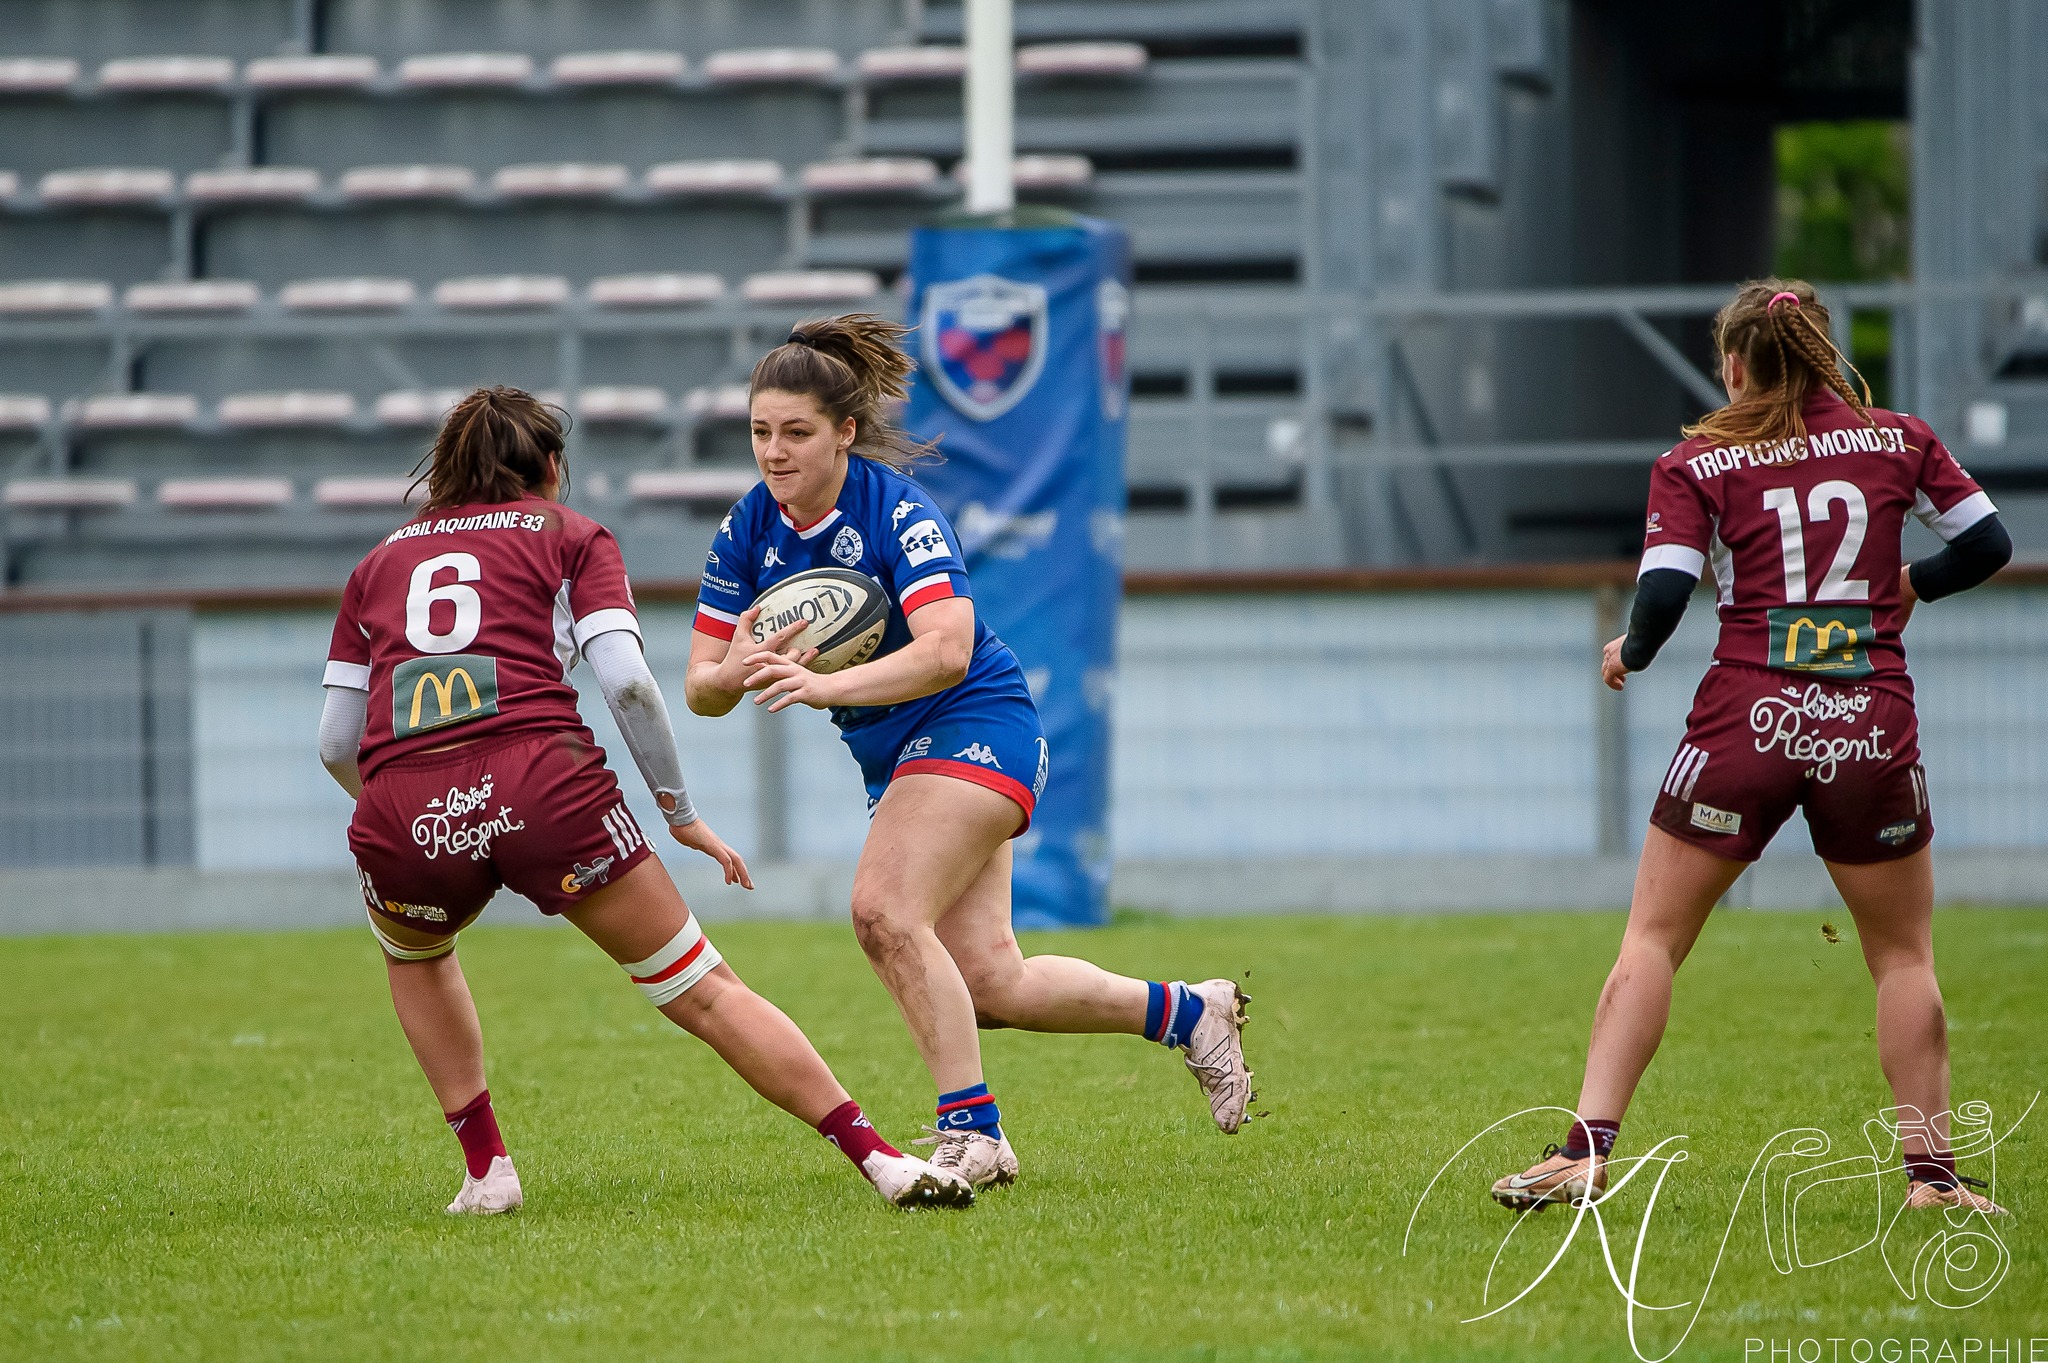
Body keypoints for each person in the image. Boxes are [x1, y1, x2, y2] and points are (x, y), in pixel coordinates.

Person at [316, 386, 973, 1213]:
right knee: (703, 988)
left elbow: (337, 740)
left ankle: (487, 1170)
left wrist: (408, 804)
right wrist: (677, 812)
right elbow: (626, 684)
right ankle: (879, 1158)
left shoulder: (376, 563)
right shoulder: (571, 535)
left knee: (416, 957)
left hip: (403, 805)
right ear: (552, 466)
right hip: (543, 785)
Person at [685, 316, 1253, 1190]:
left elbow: (947, 649)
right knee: (992, 980)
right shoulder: (748, 527)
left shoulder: (897, 510)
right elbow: (701, 688)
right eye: (760, 431)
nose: (773, 451)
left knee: (882, 910)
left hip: (977, 720)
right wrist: (737, 666)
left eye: (796, 431)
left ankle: (972, 1134)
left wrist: (825, 684)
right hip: (901, 754)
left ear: (844, 430)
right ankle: (1189, 1011)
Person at [1490, 280, 2012, 1216]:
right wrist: (1911, 585)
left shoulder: (1699, 459)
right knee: (1902, 955)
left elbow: (1659, 597)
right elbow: (1988, 542)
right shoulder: (1899, 435)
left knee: (1653, 938)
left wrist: (1630, 653)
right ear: (1820, 347)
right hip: (1870, 720)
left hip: (1750, 716)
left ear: (1734, 364)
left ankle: (1585, 1153)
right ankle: (1933, 1179)